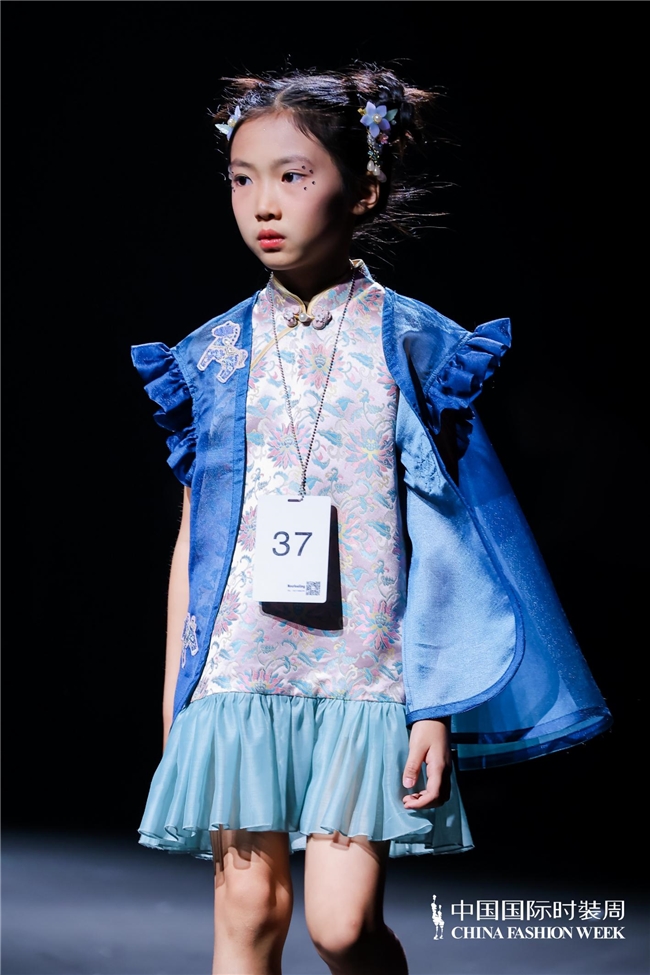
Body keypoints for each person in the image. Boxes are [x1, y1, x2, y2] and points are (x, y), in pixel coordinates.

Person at [132, 65, 611, 975]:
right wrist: (176, 695)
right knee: (247, 910)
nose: (263, 203)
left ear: (364, 191)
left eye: (294, 175)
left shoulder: (414, 341)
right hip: (240, 667)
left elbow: (450, 536)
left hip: (368, 673)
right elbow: (195, 536)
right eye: (242, 178)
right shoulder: (213, 354)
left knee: (343, 927)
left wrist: (435, 704)